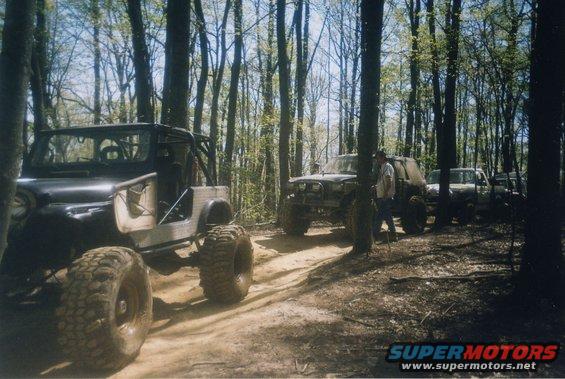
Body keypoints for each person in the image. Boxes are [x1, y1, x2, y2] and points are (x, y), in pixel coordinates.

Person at [372, 150, 397, 242]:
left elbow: (389, 181)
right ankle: (394, 235)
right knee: (388, 216)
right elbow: (383, 182)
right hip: (382, 195)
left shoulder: (387, 166)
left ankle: (374, 236)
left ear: (383, 157)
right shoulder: (383, 167)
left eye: (378, 158)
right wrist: (376, 187)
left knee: (379, 216)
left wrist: (386, 194)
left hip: (385, 196)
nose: (377, 160)